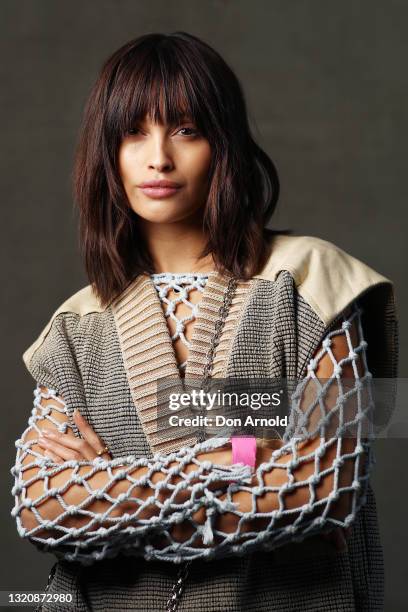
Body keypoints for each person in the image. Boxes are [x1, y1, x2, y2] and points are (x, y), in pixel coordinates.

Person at [11, 32, 398, 612]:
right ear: (106, 153)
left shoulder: (312, 282)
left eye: (186, 130)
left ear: (223, 143)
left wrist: (112, 496)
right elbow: (42, 507)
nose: (158, 157)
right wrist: (237, 459)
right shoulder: (78, 324)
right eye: (132, 132)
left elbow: (325, 485)